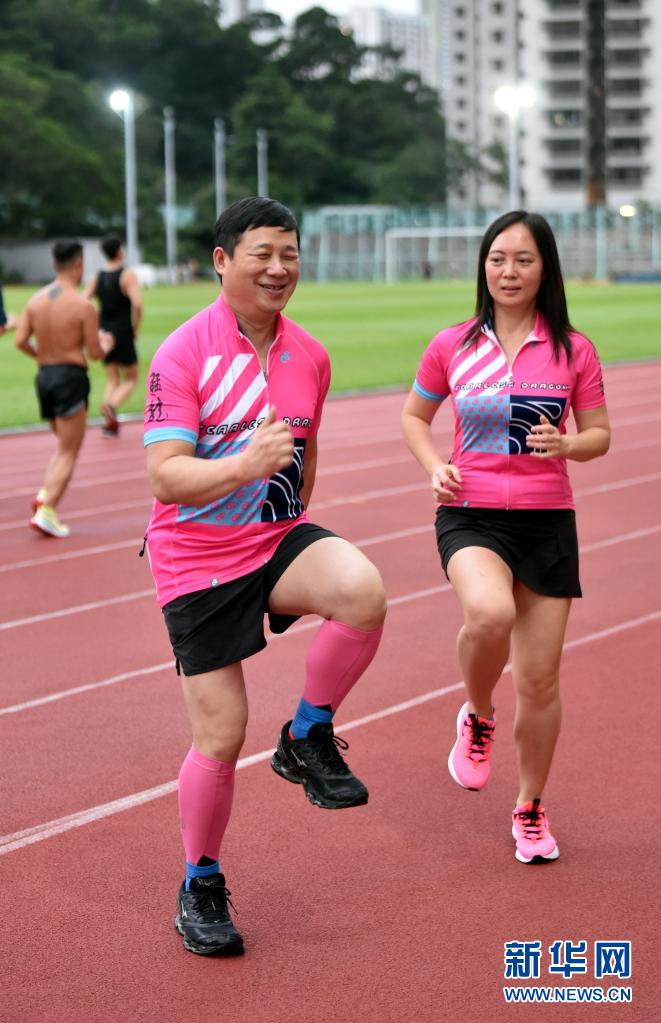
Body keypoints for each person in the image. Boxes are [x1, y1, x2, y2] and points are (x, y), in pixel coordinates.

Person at [142, 197, 387, 956]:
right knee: (221, 735)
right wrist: (243, 466)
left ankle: (307, 735)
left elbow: (305, 458)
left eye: (290, 254)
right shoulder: (182, 353)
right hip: (197, 559)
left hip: (274, 537)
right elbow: (165, 475)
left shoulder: (309, 354)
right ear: (222, 261)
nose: (279, 268)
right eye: (262, 254)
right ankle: (200, 881)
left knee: (362, 591)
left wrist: (284, 504)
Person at [401, 210, 610, 865]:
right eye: (497, 259)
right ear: (483, 267)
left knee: (541, 682)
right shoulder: (453, 345)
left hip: (547, 520)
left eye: (522, 260)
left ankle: (530, 807)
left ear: (544, 268)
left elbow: (600, 434)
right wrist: (433, 466)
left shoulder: (572, 350)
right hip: (471, 513)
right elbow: (414, 416)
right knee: (489, 613)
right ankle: (477, 712)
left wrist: (570, 444)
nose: (508, 271)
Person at [14, 240, 113, 537]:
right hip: (70, 377)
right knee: (70, 450)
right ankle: (47, 510)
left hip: (44, 377)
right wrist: (106, 343)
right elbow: (94, 354)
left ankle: (46, 494)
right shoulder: (83, 305)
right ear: (79, 264)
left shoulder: (35, 300)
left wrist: (43, 356)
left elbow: (20, 341)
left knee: (63, 447)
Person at [85, 233, 142, 435]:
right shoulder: (127, 275)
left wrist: (96, 323)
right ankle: (111, 406)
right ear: (119, 251)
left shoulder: (97, 276)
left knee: (112, 378)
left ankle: (108, 421)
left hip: (104, 332)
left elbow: (84, 300)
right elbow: (137, 304)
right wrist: (136, 327)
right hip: (122, 330)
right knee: (132, 378)